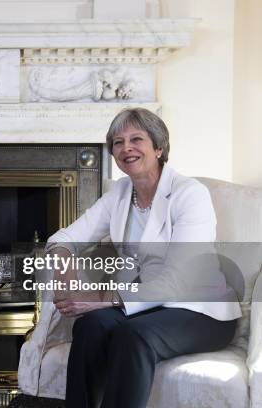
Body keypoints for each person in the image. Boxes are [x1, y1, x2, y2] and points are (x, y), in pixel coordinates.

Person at [45, 108, 241, 407]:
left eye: (136, 139)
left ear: (159, 147)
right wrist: (66, 279)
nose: (126, 148)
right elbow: (63, 239)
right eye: (118, 142)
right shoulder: (120, 193)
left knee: (132, 335)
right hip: (146, 306)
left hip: (200, 311)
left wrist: (100, 296)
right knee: (90, 326)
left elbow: (178, 283)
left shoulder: (190, 194)